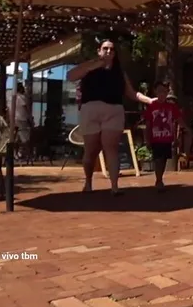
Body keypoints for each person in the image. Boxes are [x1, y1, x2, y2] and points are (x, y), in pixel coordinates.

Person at [66, 39, 156, 195]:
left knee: (111, 148)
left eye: (111, 49)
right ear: (99, 51)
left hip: (113, 110)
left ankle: (114, 186)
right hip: (91, 110)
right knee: (91, 150)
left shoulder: (119, 71)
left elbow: (131, 93)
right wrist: (93, 65)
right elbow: (71, 76)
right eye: (105, 48)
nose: (108, 51)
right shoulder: (89, 67)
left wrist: (149, 100)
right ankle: (88, 182)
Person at [142, 81, 182, 191]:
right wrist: (147, 139)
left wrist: (179, 135)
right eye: (159, 91)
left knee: (164, 159)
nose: (162, 94)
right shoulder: (151, 106)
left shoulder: (171, 106)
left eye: (164, 91)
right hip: (155, 138)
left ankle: (159, 179)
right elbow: (148, 124)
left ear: (167, 93)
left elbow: (178, 120)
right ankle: (158, 180)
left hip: (167, 138)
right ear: (155, 92)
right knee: (158, 159)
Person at [12, 84, 32, 162]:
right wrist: (30, 118)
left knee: (15, 138)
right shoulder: (21, 97)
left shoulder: (11, 98)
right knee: (25, 138)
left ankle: (15, 154)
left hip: (14, 119)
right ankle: (24, 154)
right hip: (22, 119)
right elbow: (26, 108)